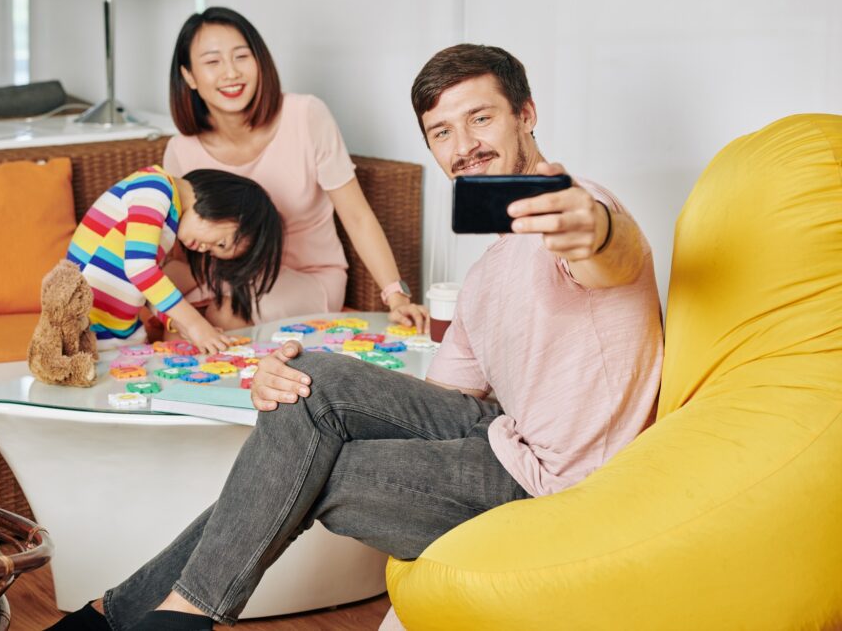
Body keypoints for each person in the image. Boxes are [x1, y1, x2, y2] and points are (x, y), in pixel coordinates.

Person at [48, 44, 664, 631]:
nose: (465, 145)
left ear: (526, 115)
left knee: (317, 471)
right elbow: (443, 406)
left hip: (557, 485)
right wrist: (286, 381)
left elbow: (612, 254)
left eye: (481, 118)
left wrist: (597, 228)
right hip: (499, 437)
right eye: (442, 133)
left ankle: (151, 615)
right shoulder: (483, 277)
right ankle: (141, 613)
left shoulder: (581, 213)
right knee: (306, 382)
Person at [161, 6, 428, 332]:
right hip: (223, 280)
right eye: (213, 62)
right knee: (167, 308)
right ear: (188, 75)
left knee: (228, 314)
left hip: (308, 278)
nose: (231, 73)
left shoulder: (306, 115)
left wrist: (396, 295)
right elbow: (176, 254)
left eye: (241, 57)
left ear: (260, 61)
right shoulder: (181, 150)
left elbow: (357, 215)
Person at [67, 166, 282, 354]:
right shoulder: (154, 187)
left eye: (213, 252)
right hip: (86, 325)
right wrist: (195, 323)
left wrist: (178, 324)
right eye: (221, 243)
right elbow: (141, 271)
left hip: (118, 332)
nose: (205, 249)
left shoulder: (167, 220)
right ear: (226, 206)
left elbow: (145, 288)